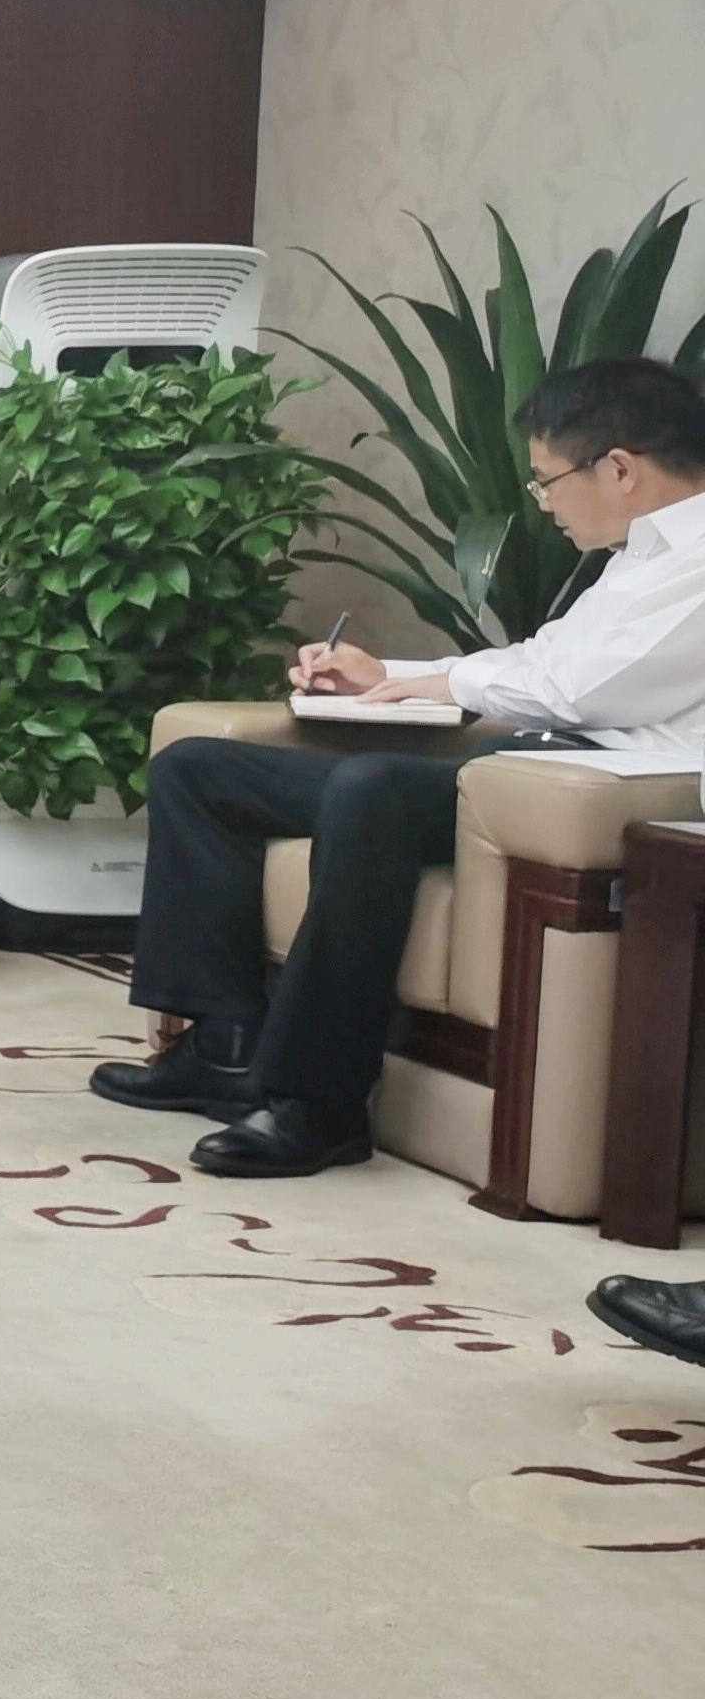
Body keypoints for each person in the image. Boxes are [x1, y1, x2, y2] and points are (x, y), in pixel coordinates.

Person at [101, 357, 705, 1178]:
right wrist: (388, 675)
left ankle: (318, 1104)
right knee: (200, 771)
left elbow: (577, 688)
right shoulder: (639, 557)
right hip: (521, 771)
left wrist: (430, 684)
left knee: (373, 787)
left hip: (596, 789)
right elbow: (541, 660)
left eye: (547, 482)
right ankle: (224, 1049)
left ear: (620, 469)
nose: (543, 503)